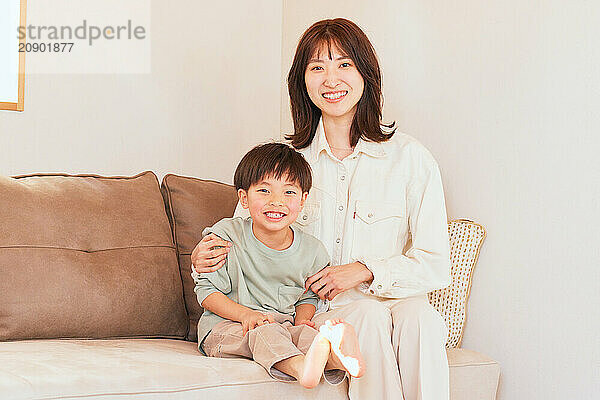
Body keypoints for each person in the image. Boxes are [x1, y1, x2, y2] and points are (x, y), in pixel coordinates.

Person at [192, 18, 451, 400]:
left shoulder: (411, 159)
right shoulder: (285, 165)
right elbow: (246, 234)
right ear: (303, 82)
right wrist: (205, 255)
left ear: (366, 73)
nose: (331, 79)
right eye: (317, 68)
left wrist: (365, 271)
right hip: (321, 311)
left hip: (395, 296)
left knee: (422, 319)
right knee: (367, 316)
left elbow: (434, 264)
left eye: (344, 64)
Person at [192, 142, 365, 389]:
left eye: (289, 192)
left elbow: (307, 297)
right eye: (264, 191)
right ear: (244, 197)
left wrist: (303, 320)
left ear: (303, 200)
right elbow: (207, 292)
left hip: (281, 327)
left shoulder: (312, 251)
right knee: (265, 333)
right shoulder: (225, 236)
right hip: (226, 328)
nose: (276, 201)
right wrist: (246, 315)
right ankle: (301, 369)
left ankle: (340, 357)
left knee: (306, 335)